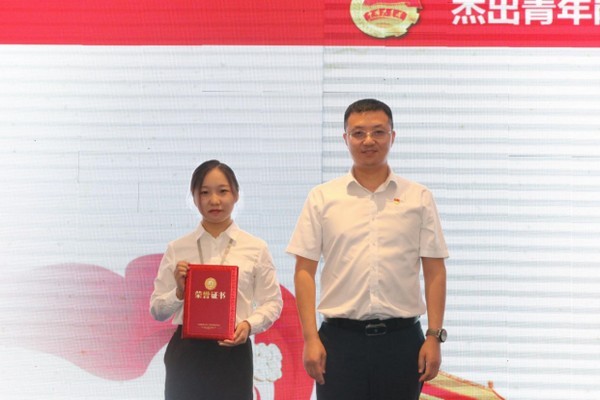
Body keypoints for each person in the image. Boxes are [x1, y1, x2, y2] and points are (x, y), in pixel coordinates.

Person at [287, 99, 449, 400]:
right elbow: (304, 271)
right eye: (358, 133)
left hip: (402, 342)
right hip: (338, 342)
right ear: (345, 138)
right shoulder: (322, 198)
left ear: (392, 136)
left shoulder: (418, 197)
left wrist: (434, 335)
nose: (368, 140)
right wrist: (310, 338)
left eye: (378, 132)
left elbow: (435, 270)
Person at [150, 159, 283, 400]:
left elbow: (272, 302)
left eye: (222, 191)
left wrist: (248, 325)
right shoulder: (177, 248)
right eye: (204, 192)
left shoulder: (255, 248)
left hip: (233, 351)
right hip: (187, 353)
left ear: (236, 195)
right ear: (194, 197)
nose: (214, 200)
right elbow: (157, 310)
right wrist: (179, 292)